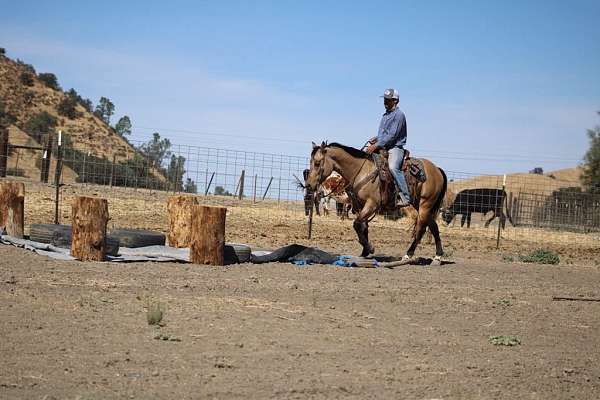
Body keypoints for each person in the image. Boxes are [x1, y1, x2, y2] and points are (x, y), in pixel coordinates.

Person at [366, 88, 411, 207]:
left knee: (392, 167)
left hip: (395, 147)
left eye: (388, 100)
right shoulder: (386, 115)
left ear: (395, 101)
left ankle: (405, 196)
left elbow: (392, 135)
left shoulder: (399, 115)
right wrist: (377, 138)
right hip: (383, 145)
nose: (385, 102)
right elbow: (386, 133)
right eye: (385, 99)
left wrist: (376, 144)